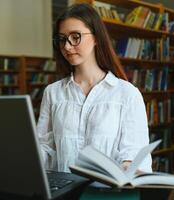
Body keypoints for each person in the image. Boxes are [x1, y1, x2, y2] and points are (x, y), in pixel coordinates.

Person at [37, 3, 152, 173]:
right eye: (62, 39)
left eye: (75, 37)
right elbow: (45, 149)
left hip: (107, 194)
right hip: (64, 193)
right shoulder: (53, 93)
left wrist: (128, 169)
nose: (67, 46)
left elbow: (135, 157)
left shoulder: (127, 94)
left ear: (96, 37)